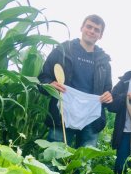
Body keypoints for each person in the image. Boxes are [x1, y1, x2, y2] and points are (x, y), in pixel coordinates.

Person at [38, 14, 113, 148]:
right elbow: (43, 77)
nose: (92, 31)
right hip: (63, 112)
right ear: (82, 28)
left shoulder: (104, 61)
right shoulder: (63, 50)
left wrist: (108, 95)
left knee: (84, 162)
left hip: (91, 117)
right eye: (89, 26)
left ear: (100, 35)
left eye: (97, 30)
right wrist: (50, 85)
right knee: (54, 157)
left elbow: (108, 89)